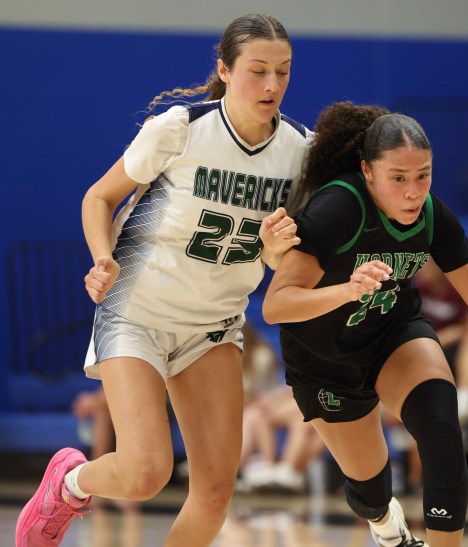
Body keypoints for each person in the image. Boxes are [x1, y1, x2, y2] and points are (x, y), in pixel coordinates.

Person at [16, 13, 313, 547]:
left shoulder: (300, 152)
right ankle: (69, 482)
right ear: (224, 69)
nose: (272, 85)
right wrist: (102, 256)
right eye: (258, 70)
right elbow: (99, 197)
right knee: (145, 472)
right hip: (137, 310)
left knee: (216, 494)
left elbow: (279, 260)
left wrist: (274, 253)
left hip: (214, 324)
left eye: (284, 72)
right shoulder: (180, 128)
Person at [261, 101, 468, 547]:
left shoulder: (433, 217)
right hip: (324, 359)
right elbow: (277, 306)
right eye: (397, 178)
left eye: (423, 175)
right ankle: (385, 526)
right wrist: (347, 290)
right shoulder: (338, 207)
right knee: (370, 492)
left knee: (441, 428)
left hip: (392, 335)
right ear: (367, 172)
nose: (412, 191)